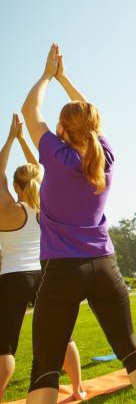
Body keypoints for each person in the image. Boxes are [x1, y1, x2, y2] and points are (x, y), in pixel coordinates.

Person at [21, 44, 136, 403]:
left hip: (64, 271)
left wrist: (46, 76)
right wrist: (65, 79)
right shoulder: (106, 157)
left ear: (63, 129)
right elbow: (93, 121)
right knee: (130, 349)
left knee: (46, 367)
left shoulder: (58, 154)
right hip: (105, 267)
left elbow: (29, 110)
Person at [0, 114, 85, 402]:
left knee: (5, 345)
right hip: (45, 273)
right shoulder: (48, 205)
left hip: (12, 278)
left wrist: (11, 138)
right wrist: (24, 139)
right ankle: (77, 389)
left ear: (15, 187)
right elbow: (40, 168)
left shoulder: (8, 210)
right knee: (63, 336)